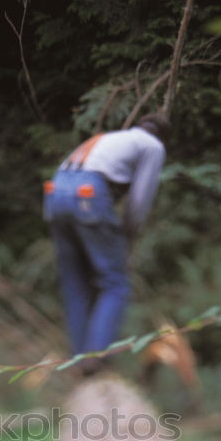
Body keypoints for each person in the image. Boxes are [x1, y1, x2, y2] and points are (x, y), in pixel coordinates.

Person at [44, 112, 169, 375]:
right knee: (115, 282)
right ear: (161, 135)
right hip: (87, 193)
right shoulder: (153, 146)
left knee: (74, 281)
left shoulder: (109, 137)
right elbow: (140, 198)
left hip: (55, 192)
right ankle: (96, 357)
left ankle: (79, 358)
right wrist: (127, 236)